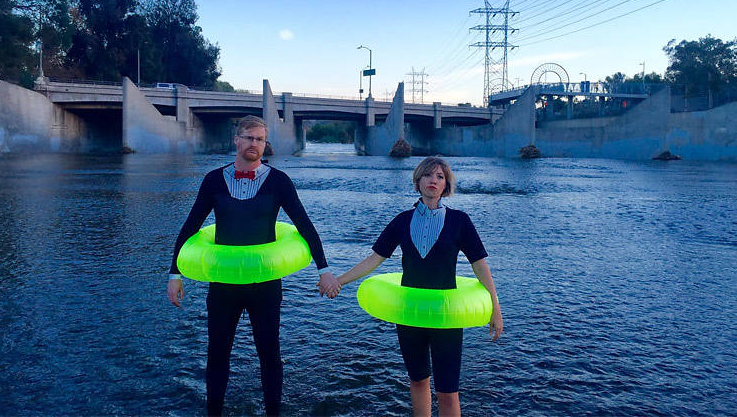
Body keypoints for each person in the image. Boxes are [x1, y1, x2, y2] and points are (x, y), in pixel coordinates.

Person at [167, 115, 340, 416]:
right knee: (217, 354)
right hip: (224, 285)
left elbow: (305, 227)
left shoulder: (279, 181)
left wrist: (324, 270)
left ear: (264, 144)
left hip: (265, 285)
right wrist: (174, 273)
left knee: (269, 355)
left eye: (260, 139)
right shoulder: (212, 180)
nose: (254, 144)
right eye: (248, 137)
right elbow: (190, 228)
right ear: (236, 140)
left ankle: (273, 412)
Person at [326, 156, 503, 417]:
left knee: (448, 391)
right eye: (428, 175)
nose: (434, 180)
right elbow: (375, 259)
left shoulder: (460, 221)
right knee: (418, 380)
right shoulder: (401, 221)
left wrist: (495, 308)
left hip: (446, 316)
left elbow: (479, 265)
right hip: (410, 315)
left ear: (446, 185)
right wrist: (338, 280)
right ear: (418, 181)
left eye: (440, 177)